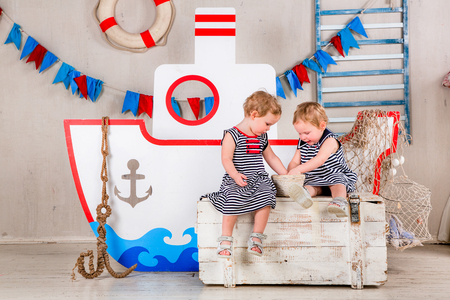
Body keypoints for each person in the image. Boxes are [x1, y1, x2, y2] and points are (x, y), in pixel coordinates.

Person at [201, 91, 287, 258]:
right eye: (267, 124)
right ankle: (226, 238)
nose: (268, 129)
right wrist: (234, 175)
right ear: (254, 115)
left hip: (258, 178)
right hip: (238, 177)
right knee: (231, 198)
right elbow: (226, 159)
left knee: (267, 195)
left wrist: (286, 175)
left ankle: (257, 237)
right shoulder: (232, 135)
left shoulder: (261, 137)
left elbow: (271, 157)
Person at [287, 102, 357, 217]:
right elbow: (295, 161)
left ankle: (339, 201)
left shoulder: (329, 140)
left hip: (333, 175)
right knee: (310, 185)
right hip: (315, 178)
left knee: (338, 182)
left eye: (307, 133)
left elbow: (320, 160)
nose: (303, 137)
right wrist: (291, 173)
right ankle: (304, 195)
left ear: (322, 126)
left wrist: (299, 169)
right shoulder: (302, 142)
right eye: (299, 133)